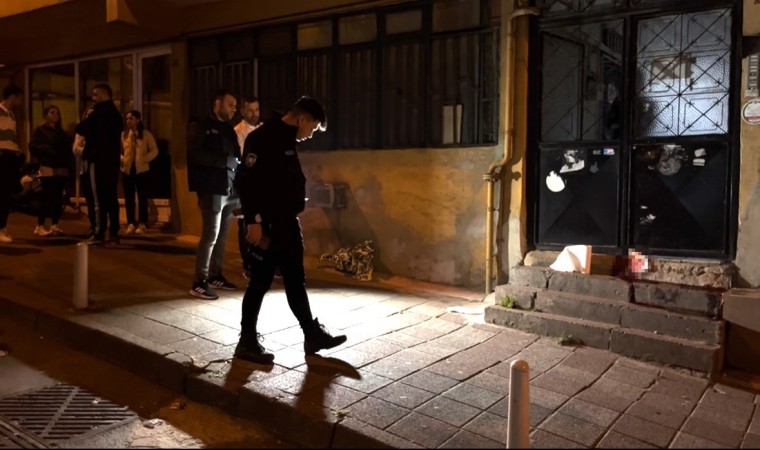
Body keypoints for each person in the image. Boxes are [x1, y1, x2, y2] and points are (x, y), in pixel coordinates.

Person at [233, 95, 346, 364]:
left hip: (286, 223)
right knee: (260, 282)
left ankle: (311, 335)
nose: (311, 133)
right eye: (313, 127)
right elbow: (247, 182)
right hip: (269, 226)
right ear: (302, 119)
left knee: (295, 280)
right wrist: (254, 221)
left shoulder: (286, 139)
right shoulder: (263, 138)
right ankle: (246, 341)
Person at [187, 89, 241, 300]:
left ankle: (215, 274)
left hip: (229, 189)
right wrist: (223, 161)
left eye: (235, 106)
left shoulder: (228, 129)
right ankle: (199, 281)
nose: (234, 109)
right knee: (210, 234)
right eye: (230, 105)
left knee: (222, 236)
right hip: (211, 188)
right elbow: (194, 154)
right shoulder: (200, 126)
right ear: (218, 104)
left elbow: (237, 156)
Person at [75, 83, 123, 245]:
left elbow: (81, 128)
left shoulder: (98, 113)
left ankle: (99, 232)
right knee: (111, 196)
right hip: (112, 160)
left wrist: (88, 117)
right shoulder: (116, 114)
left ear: (104, 95)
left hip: (98, 159)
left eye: (96, 94)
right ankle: (114, 231)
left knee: (98, 198)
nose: (93, 98)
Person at [28, 105, 73, 237]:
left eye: (57, 113)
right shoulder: (40, 130)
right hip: (47, 166)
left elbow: (67, 148)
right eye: (52, 113)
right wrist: (46, 150)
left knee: (57, 198)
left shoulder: (61, 132)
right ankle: (40, 225)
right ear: (46, 115)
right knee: (45, 196)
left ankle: (55, 224)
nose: (55, 115)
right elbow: (33, 146)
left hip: (60, 167)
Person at [234, 95, 262, 279]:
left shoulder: (264, 129)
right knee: (246, 223)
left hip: (264, 184)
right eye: (250, 110)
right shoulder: (238, 132)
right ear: (243, 111)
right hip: (246, 182)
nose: (254, 114)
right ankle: (248, 264)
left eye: (257, 110)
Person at [121, 110, 158, 235]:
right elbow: (120, 150)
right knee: (129, 198)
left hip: (141, 170)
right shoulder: (124, 135)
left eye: (131, 118)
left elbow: (154, 150)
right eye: (127, 118)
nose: (128, 121)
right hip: (127, 170)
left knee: (142, 197)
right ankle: (131, 222)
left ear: (138, 120)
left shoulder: (145, 134)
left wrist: (144, 159)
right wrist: (122, 159)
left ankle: (142, 222)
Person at [0, 85, 24, 244]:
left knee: (6, 194)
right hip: (1, 154)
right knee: (2, 193)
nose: (20, 101)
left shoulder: (12, 114)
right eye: (19, 98)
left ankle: (3, 226)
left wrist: (17, 149)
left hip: (10, 155)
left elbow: (12, 136)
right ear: (13, 96)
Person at [73, 107, 96, 236]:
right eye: (88, 115)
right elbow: (75, 149)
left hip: (99, 168)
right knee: (90, 199)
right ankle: (93, 225)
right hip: (86, 168)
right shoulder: (82, 132)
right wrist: (87, 150)